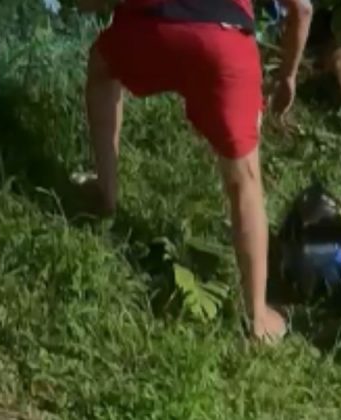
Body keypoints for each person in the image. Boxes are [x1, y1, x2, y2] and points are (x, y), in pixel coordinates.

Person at [76, 0, 313, 342]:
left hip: (157, 32)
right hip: (225, 44)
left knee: (101, 67)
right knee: (243, 180)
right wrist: (288, 76)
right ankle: (259, 319)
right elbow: (302, 9)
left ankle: (105, 195)